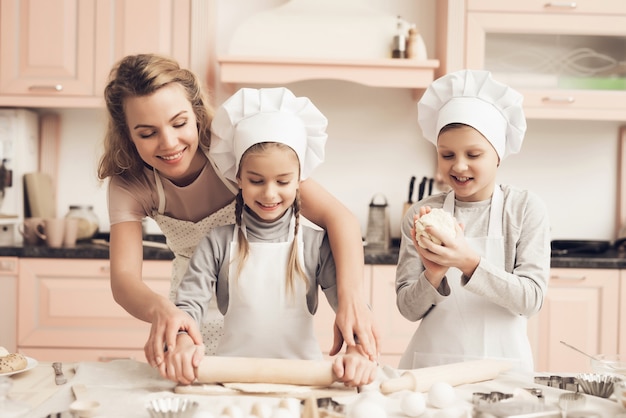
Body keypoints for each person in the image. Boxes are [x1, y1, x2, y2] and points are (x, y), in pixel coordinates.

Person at [97, 54, 380, 374]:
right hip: (190, 308)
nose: (169, 143)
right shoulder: (129, 182)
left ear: (197, 113)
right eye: (147, 133)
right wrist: (163, 310)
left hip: (257, 307)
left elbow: (338, 217)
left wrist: (352, 297)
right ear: (128, 134)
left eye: (179, 123)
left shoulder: (234, 154)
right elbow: (124, 280)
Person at [164, 87, 378, 387]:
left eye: (283, 181)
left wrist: (357, 353)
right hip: (231, 381)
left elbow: (350, 309)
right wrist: (184, 342)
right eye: (256, 180)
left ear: (300, 179)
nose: (269, 193)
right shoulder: (217, 242)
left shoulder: (316, 245)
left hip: (302, 383)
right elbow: (189, 305)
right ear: (238, 177)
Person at [395, 69, 551, 372]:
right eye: (447, 154)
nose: (459, 165)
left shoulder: (524, 209)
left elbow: (531, 300)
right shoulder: (420, 215)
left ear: (498, 154)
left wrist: (468, 262)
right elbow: (407, 309)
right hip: (432, 370)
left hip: (503, 371)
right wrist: (433, 275)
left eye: (474, 154)